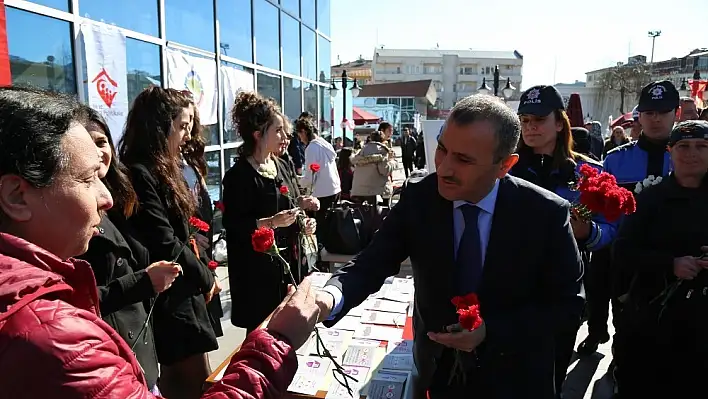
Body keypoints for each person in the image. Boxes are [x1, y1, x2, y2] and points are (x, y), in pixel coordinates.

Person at [0, 86, 321, 398]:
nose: (107, 198)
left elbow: (194, 225)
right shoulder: (55, 336)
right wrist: (277, 341)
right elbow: (168, 239)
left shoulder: (44, 302)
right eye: (86, 179)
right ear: (16, 196)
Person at [313, 94, 584, 398]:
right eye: (442, 150)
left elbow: (568, 306)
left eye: (464, 159)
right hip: (437, 374)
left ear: (504, 165)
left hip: (515, 378)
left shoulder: (545, 213)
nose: (443, 169)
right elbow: (373, 262)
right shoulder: (420, 199)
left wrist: (490, 331)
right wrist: (326, 299)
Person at [510, 85, 617, 397]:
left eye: (538, 120)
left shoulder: (589, 172)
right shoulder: (501, 168)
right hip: (509, 287)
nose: (530, 128)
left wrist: (587, 234)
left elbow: (610, 228)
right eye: (525, 120)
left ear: (560, 122)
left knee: (552, 376)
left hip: (564, 291)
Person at [119, 87, 218, 399]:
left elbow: (183, 231)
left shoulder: (161, 168)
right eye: (182, 126)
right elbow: (165, 240)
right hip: (169, 294)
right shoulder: (140, 172)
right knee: (193, 383)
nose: (187, 135)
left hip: (182, 287)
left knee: (196, 378)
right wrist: (205, 277)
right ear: (160, 125)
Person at [77, 107, 179, 394]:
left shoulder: (120, 198)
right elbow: (76, 300)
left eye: (100, 141)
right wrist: (142, 282)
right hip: (114, 354)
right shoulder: (71, 217)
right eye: (85, 143)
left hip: (143, 354)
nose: (97, 152)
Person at [612, 120, 708, 398]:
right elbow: (623, 252)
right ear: (670, 151)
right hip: (656, 322)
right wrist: (670, 264)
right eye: (683, 146)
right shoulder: (651, 198)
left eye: (701, 146)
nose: (692, 153)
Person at [596, 80, 679, 395]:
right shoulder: (616, 160)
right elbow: (602, 212)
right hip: (627, 265)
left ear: (676, 113)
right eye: (649, 112)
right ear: (639, 115)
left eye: (663, 112)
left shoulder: (692, 155)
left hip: (678, 263)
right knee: (628, 333)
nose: (656, 118)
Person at [222, 92, 318, 333]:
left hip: (287, 267)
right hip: (257, 275)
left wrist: (304, 221)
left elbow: (292, 203)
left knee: (290, 332)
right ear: (258, 134)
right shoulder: (239, 176)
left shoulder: (281, 165)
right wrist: (270, 222)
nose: (285, 137)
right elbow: (233, 226)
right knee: (261, 337)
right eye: (278, 130)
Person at [181, 101, 224, 338]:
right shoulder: (164, 165)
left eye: (192, 122)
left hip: (203, 252)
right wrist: (189, 234)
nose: (188, 131)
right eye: (183, 123)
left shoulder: (190, 159)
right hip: (189, 257)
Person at [296, 116, 341, 239]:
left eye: (299, 135)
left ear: (304, 132)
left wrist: (297, 182)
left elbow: (311, 176)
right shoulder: (324, 143)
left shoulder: (311, 148)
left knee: (319, 227)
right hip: (335, 188)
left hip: (322, 192)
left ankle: (320, 252)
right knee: (331, 224)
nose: (300, 139)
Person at [350, 131, 397, 206]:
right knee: (383, 212)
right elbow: (384, 170)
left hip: (358, 190)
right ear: (383, 139)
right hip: (376, 191)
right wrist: (392, 162)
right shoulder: (382, 150)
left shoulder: (363, 149)